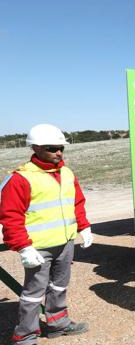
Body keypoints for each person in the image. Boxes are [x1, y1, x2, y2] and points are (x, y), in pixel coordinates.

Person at [0, 124, 92, 345]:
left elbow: (77, 203)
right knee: (33, 293)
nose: (59, 152)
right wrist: (23, 247)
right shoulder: (20, 179)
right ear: (36, 148)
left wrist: (84, 226)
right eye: (52, 148)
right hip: (38, 247)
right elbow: (10, 216)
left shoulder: (67, 173)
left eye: (61, 148)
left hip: (65, 243)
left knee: (59, 286)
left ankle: (58, 324)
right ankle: (25, 335)